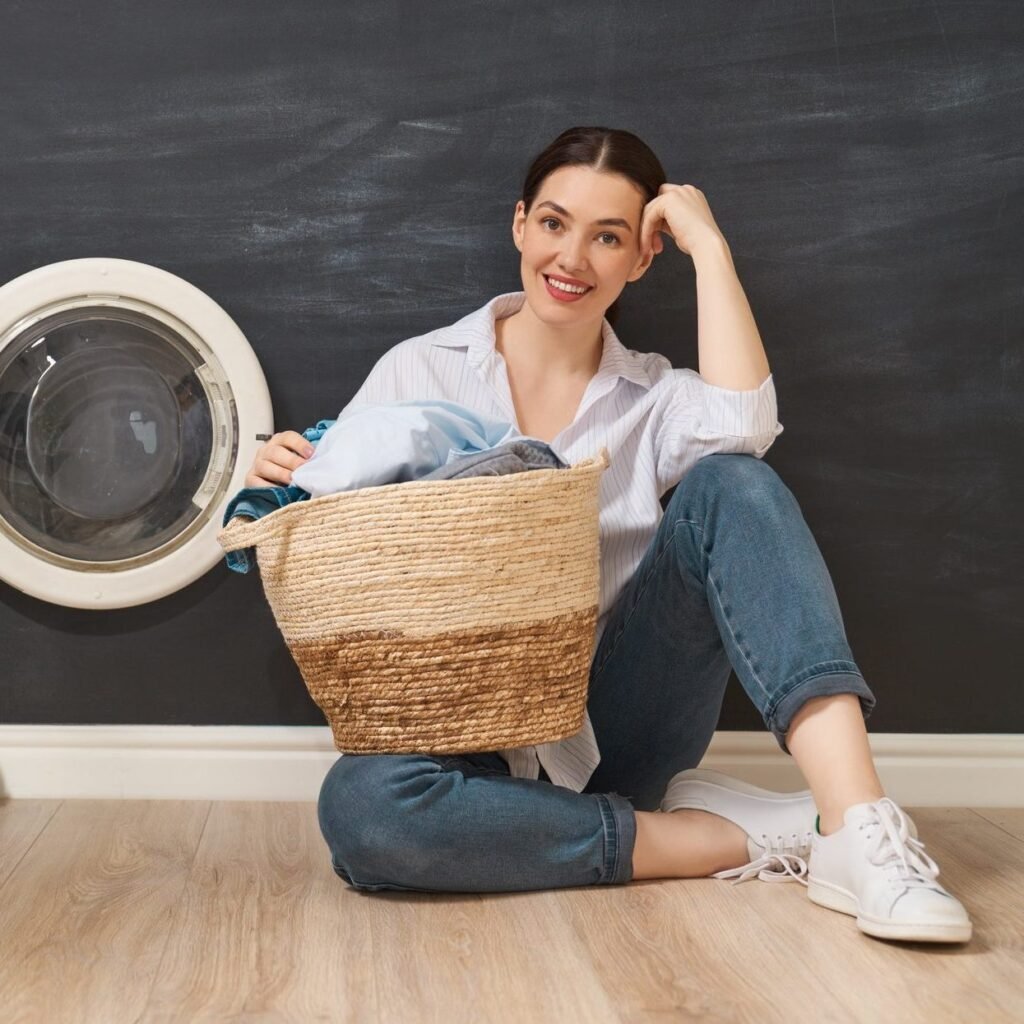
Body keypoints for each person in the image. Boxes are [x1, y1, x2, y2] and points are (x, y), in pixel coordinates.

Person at [244, 126, 971, 944]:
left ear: (641, 258)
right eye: (554, 224)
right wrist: (292, 470)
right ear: (519, 225)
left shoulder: (654, 396)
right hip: (459, 740)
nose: (572, 258)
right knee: (361, 811)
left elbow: (745, 424)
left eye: (609, 237)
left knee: (735, 480)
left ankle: (856, 826)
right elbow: (347, 525)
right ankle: (726, 837)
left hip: (616, 724)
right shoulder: (419, 369)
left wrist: (709, 245)